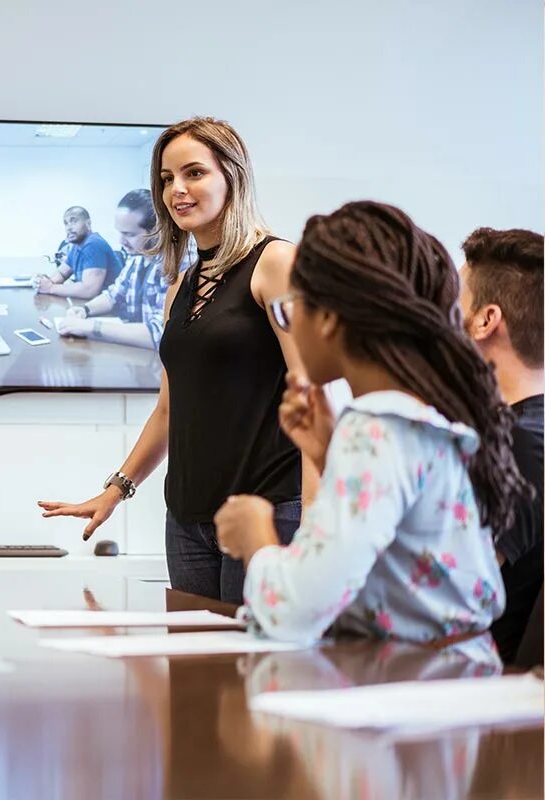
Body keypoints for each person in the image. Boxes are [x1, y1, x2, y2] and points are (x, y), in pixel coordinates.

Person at [214, 201, 526, 646]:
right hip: (454, 683)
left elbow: (296, 611)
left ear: (328, 319)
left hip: (408, 692)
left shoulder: (375, 431)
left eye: (289, 309)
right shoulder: (423, 418)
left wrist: (257, 537)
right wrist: (328, 452)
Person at [38, 117, 315, 604]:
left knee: (252, 672)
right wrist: (115, 489)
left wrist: (319, 523)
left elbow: (315, 398)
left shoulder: (275, 264)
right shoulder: (180, 289)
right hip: (187, 522)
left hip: (267, 512)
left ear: (233, 176)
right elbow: (170, 410)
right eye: (166, 179)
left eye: (194, 173)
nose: (176, 190)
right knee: (196, 676)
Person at [458, 226, 543, 661]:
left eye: (454, 305)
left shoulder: (520, 445)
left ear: (485, 320)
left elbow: (450, 598)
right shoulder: (522, 432)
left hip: (472, 686)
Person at [56, 189, 195, 349]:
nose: (121, 241)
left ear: (157, 231)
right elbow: (114, 296)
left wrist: (91, 327)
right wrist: (84, 310)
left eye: (129, 234)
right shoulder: (138, 255)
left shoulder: (180, 261)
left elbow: (161, 333)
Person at [35, 206, 121, 300]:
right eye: (66, 223)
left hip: (109, 310)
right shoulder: (77, 246)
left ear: (88, 223)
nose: (69, 228)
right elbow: (62, 273)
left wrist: (50, 288)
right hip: (91, 304)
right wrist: (45, 282)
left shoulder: (94, 244)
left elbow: (89, 290)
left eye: (74, 221)